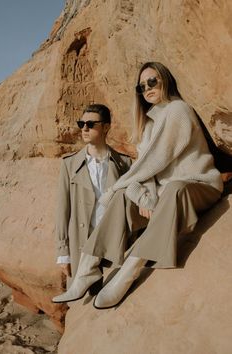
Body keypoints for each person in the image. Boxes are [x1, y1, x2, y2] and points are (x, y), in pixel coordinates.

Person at [53, 62, 224, 308]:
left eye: (152, 81)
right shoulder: (150, 123)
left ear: (165, 79)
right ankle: (88, 270)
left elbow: (154, 161)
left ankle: (130, 271)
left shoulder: (178, 110)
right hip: (167, 193)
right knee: (126, 195)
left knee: (167, 187)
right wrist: (145, 196)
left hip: (198, 185)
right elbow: (147, 171)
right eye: (141, 86)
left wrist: (119, 188)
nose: (147, 89)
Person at [53, 103, 136, 301]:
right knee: (81, 302)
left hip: (114, 245)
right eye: (82, 123)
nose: (84, 128)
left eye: (90, 124)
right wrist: (63, 253)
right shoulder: (69, 164)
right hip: (81, 244)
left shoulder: (125, 163)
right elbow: (62, 210)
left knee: (110, 300)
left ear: (106, 127)